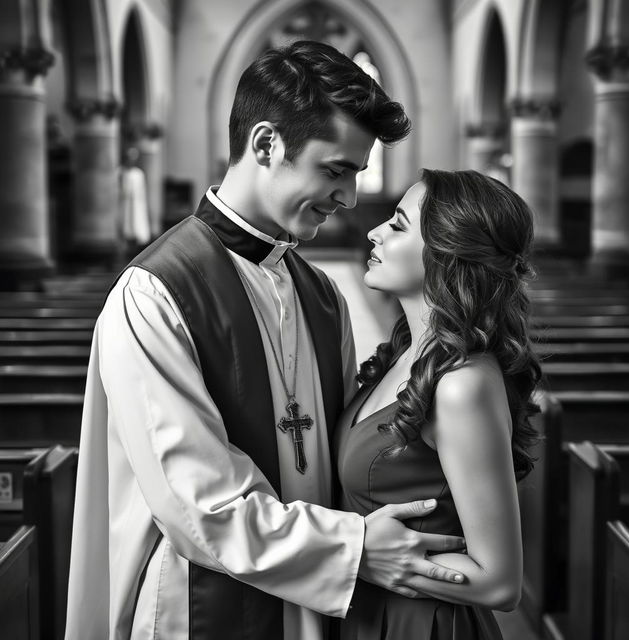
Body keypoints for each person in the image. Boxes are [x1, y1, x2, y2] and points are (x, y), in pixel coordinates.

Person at [65, 42, 467, 640]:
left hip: (312, 609)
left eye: (356, 174)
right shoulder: (154, 294)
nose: (350, 198)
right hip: (197, 606)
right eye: (336, 170)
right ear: (265, 144)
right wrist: (356, 548)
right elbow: (197, 505)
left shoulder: (323, 295)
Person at [335, 169, 542, 638]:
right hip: (368, 614)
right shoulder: (408, 352)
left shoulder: (462, 384)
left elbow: (500, 581)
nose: (374, 231)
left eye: (398, 224)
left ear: (448, 253)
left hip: (422, 623)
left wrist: (360, 557)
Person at [118, 146, 151, 254]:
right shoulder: (120, 172)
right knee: (125, 226)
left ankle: (135, 249)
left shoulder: (138, 174)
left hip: (136, 205)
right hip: (124, 205)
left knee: (136, 224)